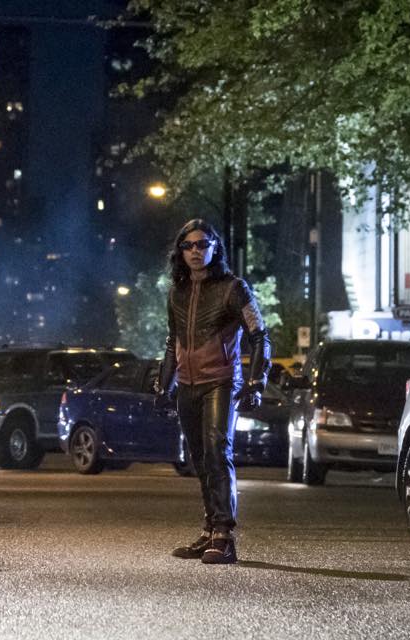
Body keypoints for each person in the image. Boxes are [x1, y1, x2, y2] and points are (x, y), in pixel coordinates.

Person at [155, 218, 271, 565]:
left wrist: (256, 382)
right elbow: (172, 342)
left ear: (214, 248)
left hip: (221, 381)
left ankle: (224, 535)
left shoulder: (233, 288)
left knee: (218, 452)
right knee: (200, 458)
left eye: (202, 244)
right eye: (188, 245)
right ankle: (209, 531)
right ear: (180, 251)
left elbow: (259, 335)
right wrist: (164, 385)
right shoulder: (176, 292)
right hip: (187, 385)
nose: (195, 251)